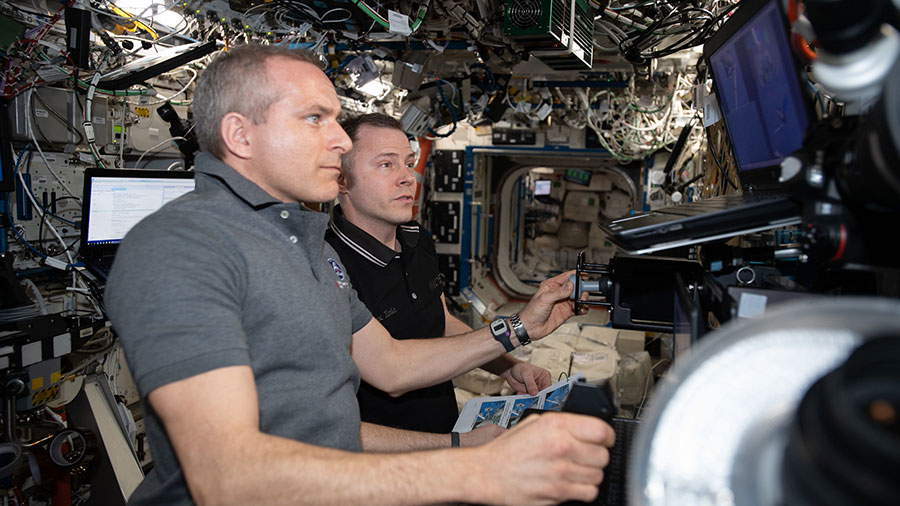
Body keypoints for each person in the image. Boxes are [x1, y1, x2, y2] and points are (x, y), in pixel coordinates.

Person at [106, 44, 614, 505]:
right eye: (314, 118)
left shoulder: (302, 247)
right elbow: (227, 477)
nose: (338, 141)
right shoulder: (184, 247)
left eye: (335, 119)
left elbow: (391, 367)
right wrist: (471, 467)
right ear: (240, 135)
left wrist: (521, 328)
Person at [326, 113, 552, 446]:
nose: (407, 178)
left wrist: (507, 366)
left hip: (446, 434)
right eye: (386, 165)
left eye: (408, 162)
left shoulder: (419, 239)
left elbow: (441, 322)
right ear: (342, 180)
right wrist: (517, 329)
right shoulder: (328, 266)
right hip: (384, 466)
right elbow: (393, 372)